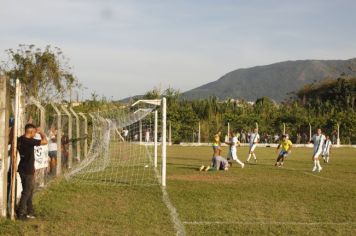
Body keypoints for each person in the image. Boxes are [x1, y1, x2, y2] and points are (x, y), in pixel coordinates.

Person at [16, 124, 47, 220]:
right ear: (31, 132)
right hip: (28, 170)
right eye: (34, 132)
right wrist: (41, 132)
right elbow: (45, 142)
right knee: (27, 192)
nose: (35, 134)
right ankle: (21, 214)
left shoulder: (20, 139)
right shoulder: (29, 141)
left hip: (22, 168)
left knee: (29, 191)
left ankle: (30, 211)